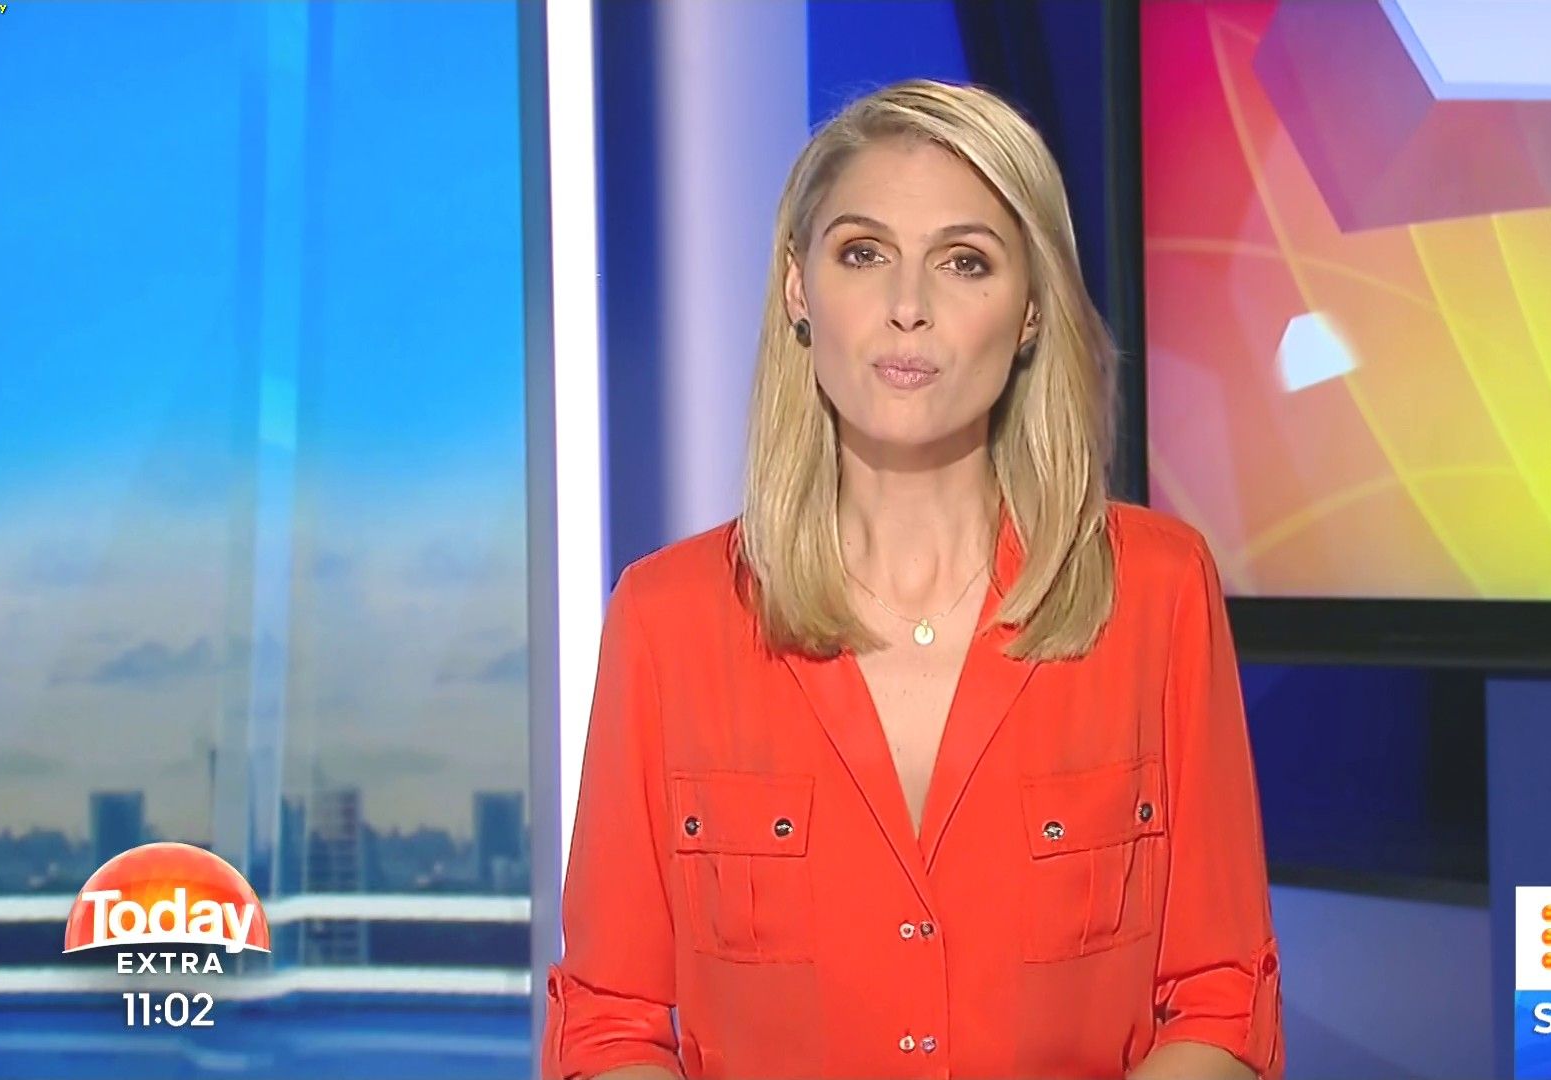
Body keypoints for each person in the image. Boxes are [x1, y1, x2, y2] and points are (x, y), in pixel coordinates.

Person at [542, 78, 1284, 1080]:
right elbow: (610, 1023)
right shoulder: (665, 618)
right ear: (799, 290)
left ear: (1030, 311)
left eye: (964, 262)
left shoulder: (1158, 590)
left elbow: (1221, 998)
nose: (907, 309)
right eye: (863, 254)